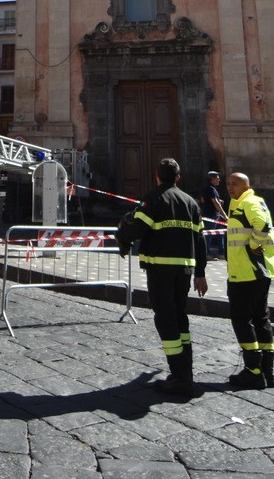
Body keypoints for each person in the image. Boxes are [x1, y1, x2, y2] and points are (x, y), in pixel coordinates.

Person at [116, 158, 207, 397]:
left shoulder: (153, 199)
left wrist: (122, 235)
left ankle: (180, 378)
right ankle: (185, 372)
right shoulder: (191, 202)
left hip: (160, 269)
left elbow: (137, 229)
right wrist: (200, 273)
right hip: (184, 271)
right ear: (178, 177)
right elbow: (200, 240)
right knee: (180, 318)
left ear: (157, 176)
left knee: (165, 320)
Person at [225, 172, 274, 389]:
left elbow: (262, 224)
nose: (230, 188)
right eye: (228, 184)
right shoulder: (247, 201)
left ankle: (253, 370)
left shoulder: (248, 202)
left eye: (234, 184)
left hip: (247, 272)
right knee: (260, 319)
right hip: (258, 272)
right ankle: (267, 370)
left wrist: (255, 245)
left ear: (246, 185)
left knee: (241, 319)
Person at [200, 171, 228, 259]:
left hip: (213, 214)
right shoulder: (211, 189)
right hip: (211, 215)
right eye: (217, 178)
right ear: (212, 179)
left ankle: (221, 253)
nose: (219, 180)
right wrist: (225, 215)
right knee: (209, 234)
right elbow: (215, 203)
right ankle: (206, 254)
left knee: (220, 233)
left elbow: (203, 200)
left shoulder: (205, 188)